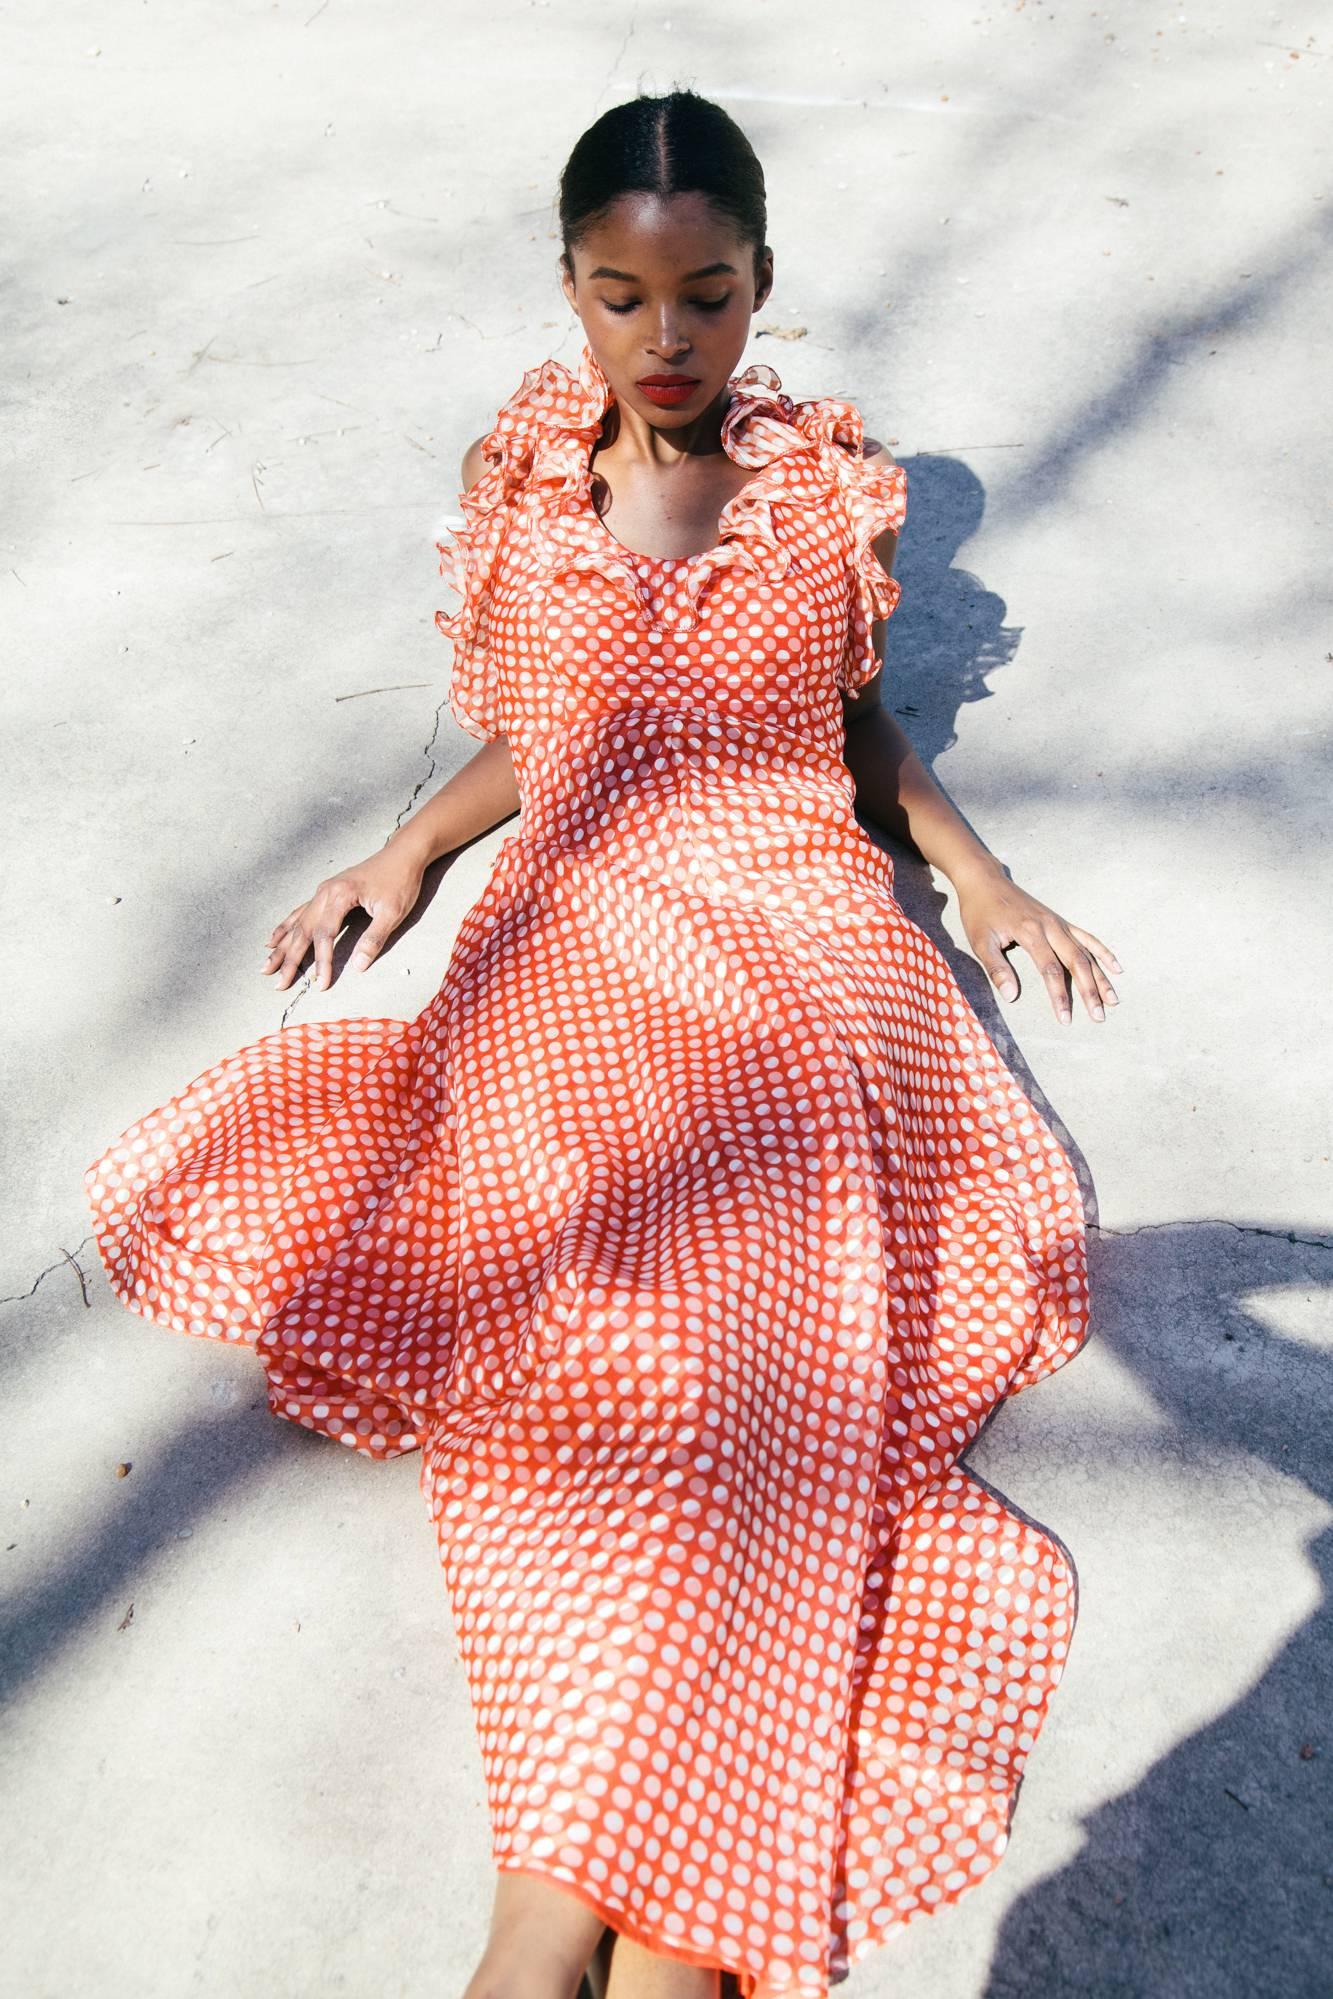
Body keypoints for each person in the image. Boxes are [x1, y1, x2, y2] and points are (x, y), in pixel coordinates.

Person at [84, 88, 1120, 1999]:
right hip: (575, 926)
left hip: (800, 920)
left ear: (760, 291)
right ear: (569, 289)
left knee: (770, 1306)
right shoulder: (529, 483)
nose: (666, 342)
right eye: (622, 297)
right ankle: (561, 1915)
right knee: (582, 1333)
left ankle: (603, 1926)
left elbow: (847, 731)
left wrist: (975, 882)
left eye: (709, 298)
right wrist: (401, 851)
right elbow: (554, 729)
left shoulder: (817, 486)